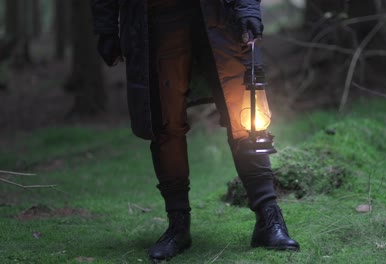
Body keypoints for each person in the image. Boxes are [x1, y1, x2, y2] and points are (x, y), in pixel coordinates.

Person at [91, 0, 299, 261]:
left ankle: (269, 219)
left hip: (222, 15)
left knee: (246, 117)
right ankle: (178, 225)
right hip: (158, 17)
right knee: (165, 122)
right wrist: (106, 27)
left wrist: (247, 9)